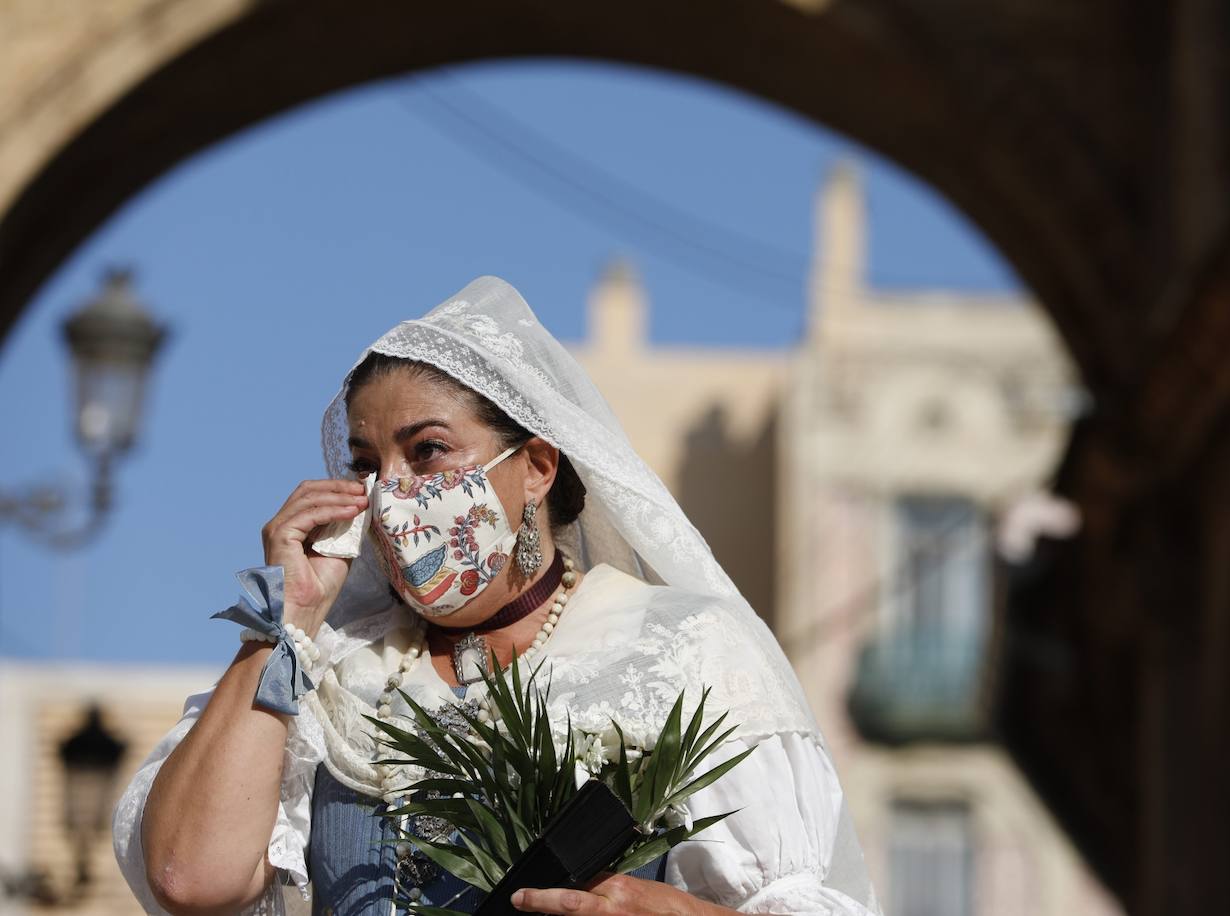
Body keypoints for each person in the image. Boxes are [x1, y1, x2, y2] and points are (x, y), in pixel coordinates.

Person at [114, 276, 880, 915]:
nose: (391, 496)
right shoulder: (331, 670)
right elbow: (189, 876)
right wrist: (285, 624)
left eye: (428, 452)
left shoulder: (679, 649)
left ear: (538, 467)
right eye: (367, 464)